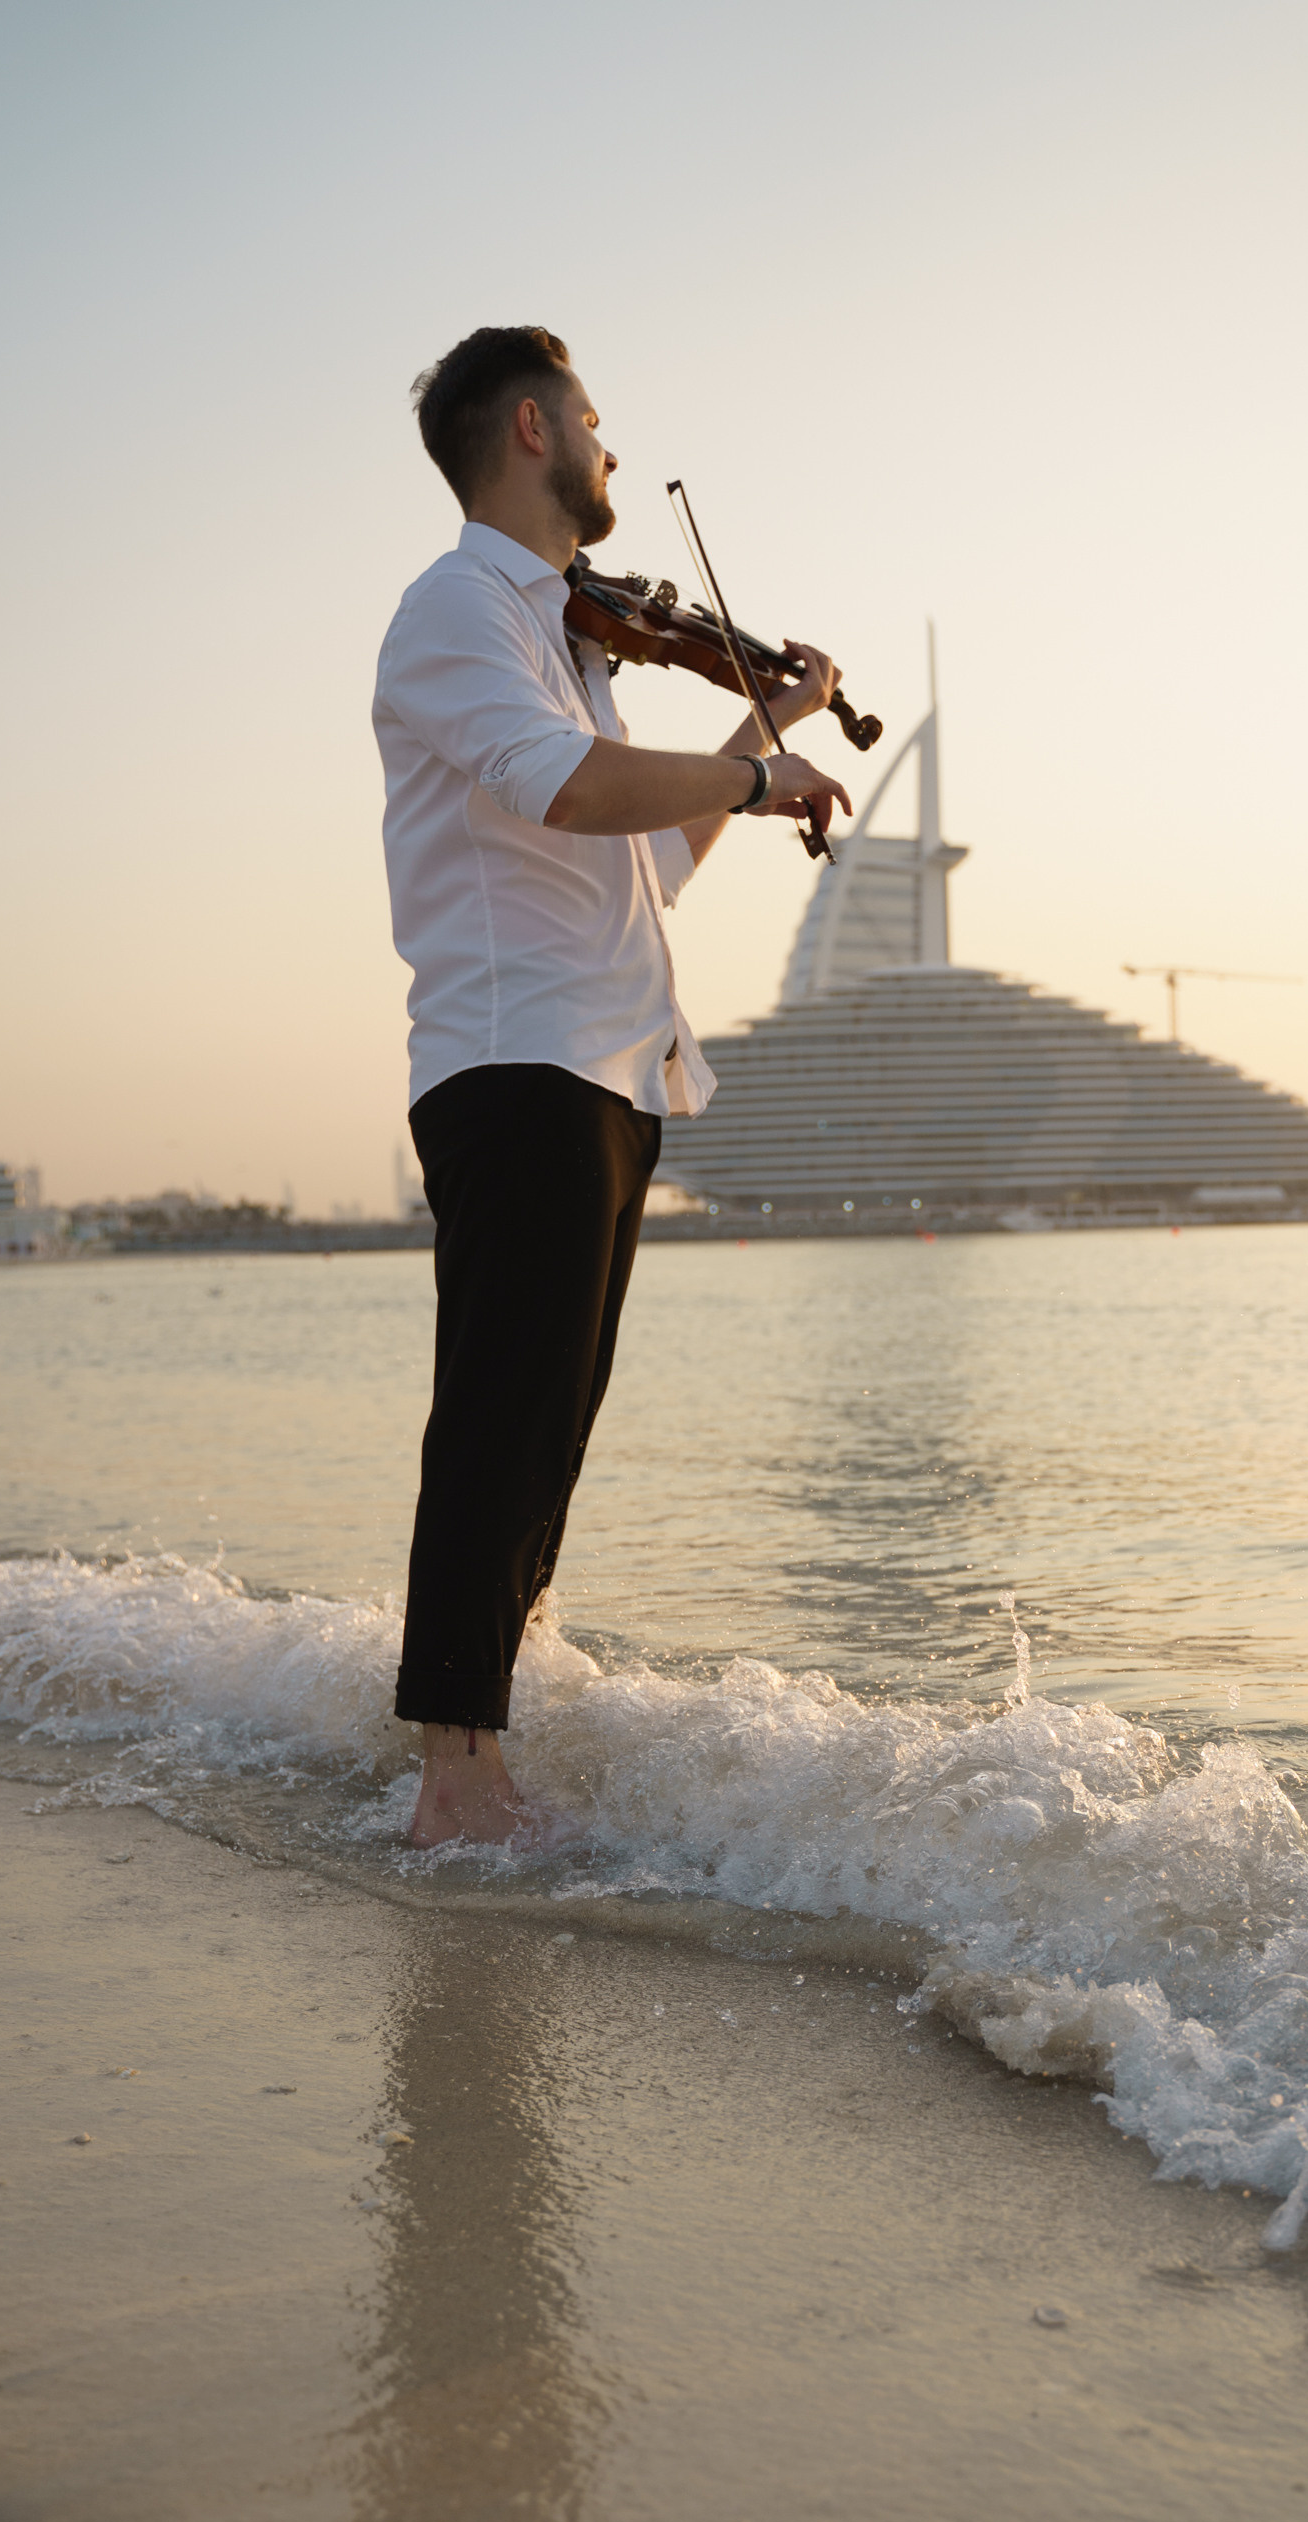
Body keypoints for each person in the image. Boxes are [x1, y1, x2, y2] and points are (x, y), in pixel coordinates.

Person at [374, 325, 850, 1848]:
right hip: (514, 1061)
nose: (613, 448)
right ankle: (456, 1783)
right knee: (502, 1412)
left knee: (549, 1423)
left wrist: (756, 733)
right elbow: (564, 790)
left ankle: (482, 1743)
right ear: (533, 428)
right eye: (595, 419)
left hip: (600, 1064)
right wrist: (759, 778)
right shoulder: (455, 610)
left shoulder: (572, 641)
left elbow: (642, 857)